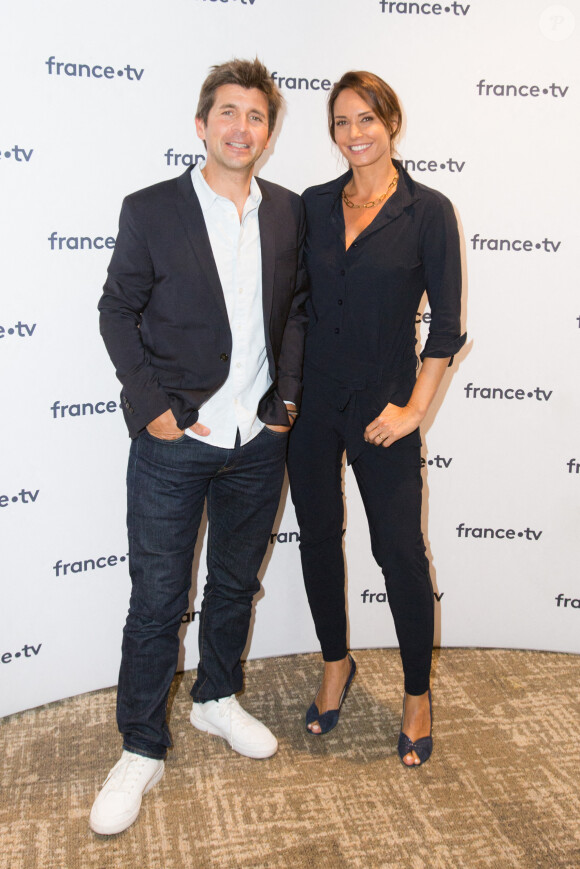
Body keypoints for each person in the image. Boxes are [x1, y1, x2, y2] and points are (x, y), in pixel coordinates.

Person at [90, 58, 307, 835]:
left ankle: (216, 695)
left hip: (257, 440)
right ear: (201, 124)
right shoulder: (150, 209)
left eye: (255, 115)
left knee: (232, 584)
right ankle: (141, 744)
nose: (240, 127)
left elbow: (294, 312)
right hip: (175, 439)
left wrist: (283, 402)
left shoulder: (286, 212)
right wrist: (150, 410)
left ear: (269, 132)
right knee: (156, 602)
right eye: (226, 112)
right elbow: (117, 311)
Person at [287, 71, 465, 766]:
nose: (354, 134)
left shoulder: (429, 211)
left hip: (385, 406)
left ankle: (417, 693)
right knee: (317, 538)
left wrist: (415, 408)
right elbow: (295, 306)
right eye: (341, 122)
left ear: (391, 123)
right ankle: (337, 661)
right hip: (313, 405)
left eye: (367, 119)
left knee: (398, 551)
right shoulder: (312, 205)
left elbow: (446, 328)